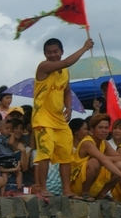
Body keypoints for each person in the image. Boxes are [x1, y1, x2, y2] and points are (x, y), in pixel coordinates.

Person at [32, 37, 94, 198]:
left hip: (59, 119)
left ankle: (67, 191)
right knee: (45, 152)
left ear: (61, 51)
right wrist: (84, 48)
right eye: (49, 52)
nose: (52, 55)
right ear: (45, 54)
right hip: (42, 118)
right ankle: (43, 188)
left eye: (55, 51)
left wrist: (69, 107)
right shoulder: (44, 66)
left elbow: (67, 91)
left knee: (66, 153)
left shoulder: (65, 72)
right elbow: (66, 62)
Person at [70, 115, 121, 200]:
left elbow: (120, 158)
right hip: (77, 184)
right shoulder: (87, 142)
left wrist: (103, 158)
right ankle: (85, 193)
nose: (104, 131)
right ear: (92, 130)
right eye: (100, 127)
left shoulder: (103, 142)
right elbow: (103, 160)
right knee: (94, 162)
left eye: (106, 128)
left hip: (96, 182)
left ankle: (102, 194)